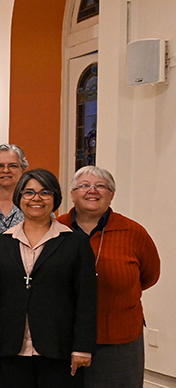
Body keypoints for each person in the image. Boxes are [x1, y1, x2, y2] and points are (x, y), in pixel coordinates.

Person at [0, 169, 96, 388]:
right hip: (11, 349)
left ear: (55, 198)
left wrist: (82, 347)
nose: (36, 199)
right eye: (28, 192)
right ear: (19, 198)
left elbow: (86, 299)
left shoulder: (75, 243)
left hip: (59, 348)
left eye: (45, 192)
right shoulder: (1, 243)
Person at [61, 166, 160, 388]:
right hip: (64, 339)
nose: (92, 191)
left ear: (112, 195)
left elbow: (150, 275)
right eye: (84, 186)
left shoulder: (133, 232)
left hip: (119, 340)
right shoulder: (56, 229)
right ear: (73, 194)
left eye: (101, 186)